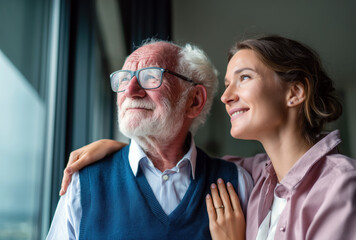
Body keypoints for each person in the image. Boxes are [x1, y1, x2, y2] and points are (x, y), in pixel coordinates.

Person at [59, 35, 356, 240]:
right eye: (124, 80)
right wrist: (122, 152)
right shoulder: (257, 176)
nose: (226, 97)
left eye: (244, 77)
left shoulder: (337, 183)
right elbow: (168, 157)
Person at [47, 40, 253, 239]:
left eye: (150, 77)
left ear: (194, 100)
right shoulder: (83, 183)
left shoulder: (237, 183)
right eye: (124, 79)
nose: (129, 90)